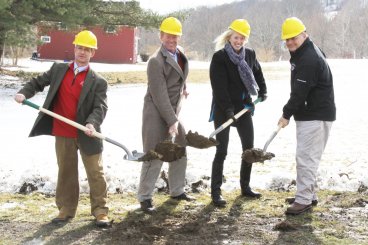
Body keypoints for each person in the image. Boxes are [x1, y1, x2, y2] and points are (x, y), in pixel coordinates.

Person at [14, 30, 111, 227]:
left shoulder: (98, 81)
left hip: (87, 133)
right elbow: (37, 83)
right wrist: (24, 93)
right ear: (74, 48)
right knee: (66, 172)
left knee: (96, 173)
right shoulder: (59, 70)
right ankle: (66, 210)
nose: (82, 52)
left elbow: (100, 107)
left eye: (87, 49)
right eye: (79, 47)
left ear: (93, 52)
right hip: (63, 131)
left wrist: (92, 123)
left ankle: (100, 211)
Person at [278, 17, 336, 215]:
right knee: (308, 157)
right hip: (314, 114)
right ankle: (308, 194)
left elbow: (299, 92)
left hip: (315, 116)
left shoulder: (309, 59)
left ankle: (303, 200)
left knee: (306, 158)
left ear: (304, 34)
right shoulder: (306, 52)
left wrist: (286, 114)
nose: (290, 42)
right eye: (286, 39)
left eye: (293, 38)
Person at [137, 17, 195, 213]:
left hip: (173, 111)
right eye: (168, 36)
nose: (172, 39)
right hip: (155, 112)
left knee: (180, 148)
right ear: (161, 36)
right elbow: (159, 94)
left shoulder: (180, 54)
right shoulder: (155, 61)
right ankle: (145, 197)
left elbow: (179, 77)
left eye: (175, 36)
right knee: (154, 154)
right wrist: (171, 121)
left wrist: (183, 88)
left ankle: (177, 190)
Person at [209, 19, 268, 207]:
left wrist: (263, 90)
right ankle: (216, 192)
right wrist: (227, 109)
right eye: (236, 37)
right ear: (229, 36)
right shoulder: (219, 58)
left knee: (248, 150)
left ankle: (245, 187)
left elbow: (257, 73)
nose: (239, 41)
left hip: (244, 108)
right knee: (222, 150)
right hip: (222, 109)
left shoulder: (249, 55)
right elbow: (219, 87)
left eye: (242, 38)